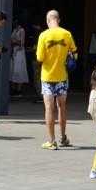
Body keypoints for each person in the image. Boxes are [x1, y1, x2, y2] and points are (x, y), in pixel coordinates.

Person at [35, 9, 78, 149]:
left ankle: (51, 141)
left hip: (47, 77)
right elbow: (75, 53)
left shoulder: (43, 35)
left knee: (49, 108)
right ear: (58, 20)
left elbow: (39, 58)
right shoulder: (67, 34)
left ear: (48, 21)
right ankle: (63, 138)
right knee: (62, 107)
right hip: (62, 77)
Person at [9, 20, 30, 99]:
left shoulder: (22, 30)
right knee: (12, 70)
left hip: (19, 52)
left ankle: (19, 90)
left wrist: (14, 41)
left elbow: (21, 43)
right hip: (13, 51)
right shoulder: (14, 30)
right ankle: (13, 89)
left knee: (19, 70)